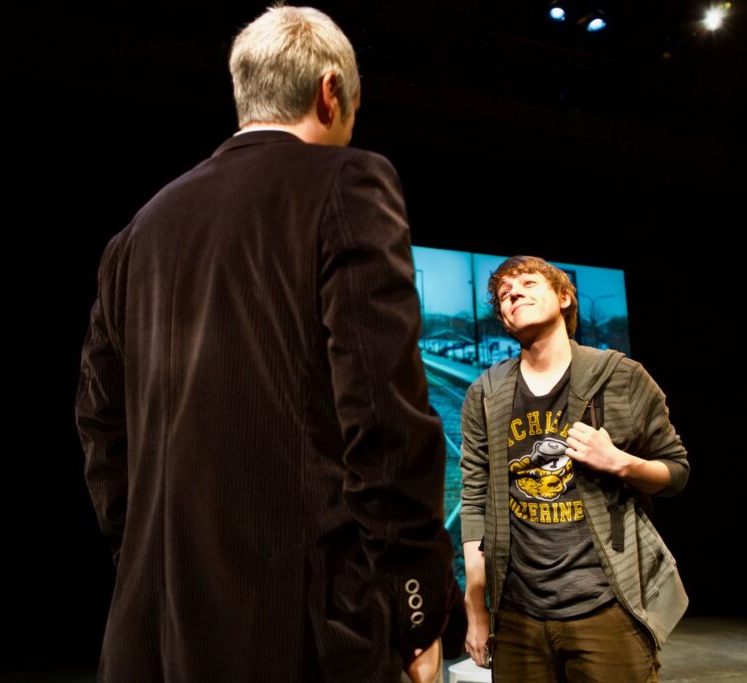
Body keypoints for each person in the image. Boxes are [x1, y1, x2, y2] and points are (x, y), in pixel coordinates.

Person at [75, 6, 462, 682]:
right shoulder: (348, 181)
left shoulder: (138, 230)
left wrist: (146, 561)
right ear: (330, 92)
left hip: (149, 630)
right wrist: (417, 602)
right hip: (302, 631)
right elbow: (382, 413)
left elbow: (100, 427)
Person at [458, 256, 689, 682]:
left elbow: (675, 472)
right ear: (504, 318)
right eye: (505, 294)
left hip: (606, 606)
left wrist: (620, 462)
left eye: (528, 283)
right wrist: (477, 610)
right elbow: (473, 501)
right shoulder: (485, 394)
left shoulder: (621, 377)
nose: (514, 294)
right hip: (519, 615)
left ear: (565, 297)